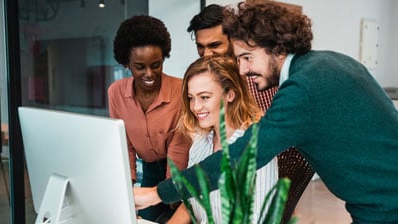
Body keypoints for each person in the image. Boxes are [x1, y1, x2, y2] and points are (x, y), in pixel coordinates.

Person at [133, 2, 398, 223]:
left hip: (385, 207)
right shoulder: (329, 62)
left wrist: (158, 192)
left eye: (248, 57)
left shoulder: (301, 89)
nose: (243, 69)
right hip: (376, 203)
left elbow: (242, 156)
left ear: (278, 49)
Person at [188, 4, 314, 222]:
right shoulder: (206, 80)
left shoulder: (261, 76)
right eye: (201, 47)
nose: (207, 54)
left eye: (215, 45)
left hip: (271, 160)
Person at [167, 55, 278, 224]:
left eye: (204, 97)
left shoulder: (256, 145)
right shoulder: (201, 141)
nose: (195, 107)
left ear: (230, 95)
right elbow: (189, 203)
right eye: (191, 98)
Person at [108, 15, 191, 222]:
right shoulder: (116, 92)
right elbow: (124, 144)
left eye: (156, 65)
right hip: (150, 169)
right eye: (140, 66)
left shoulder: (181, 90)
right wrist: (127, 190)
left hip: (182, 169)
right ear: (126, 63)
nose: (149, 74)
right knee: (142, 217)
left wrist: (172, 194)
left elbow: (179, 145)